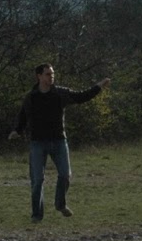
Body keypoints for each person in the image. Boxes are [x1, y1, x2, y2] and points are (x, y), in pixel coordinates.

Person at [8, 64, 110, 222]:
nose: (51, 77)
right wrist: (17, 130)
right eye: (48, 74)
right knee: (37, 180)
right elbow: (23, 116)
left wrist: (98, 86)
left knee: (65, 174)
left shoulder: (60, 93)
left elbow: (81, 96)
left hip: (58, 140)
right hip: (38, 143)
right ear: (39, 76)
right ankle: (37, 215)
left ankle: (60, 204)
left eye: (52, 74)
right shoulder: (31, 97)